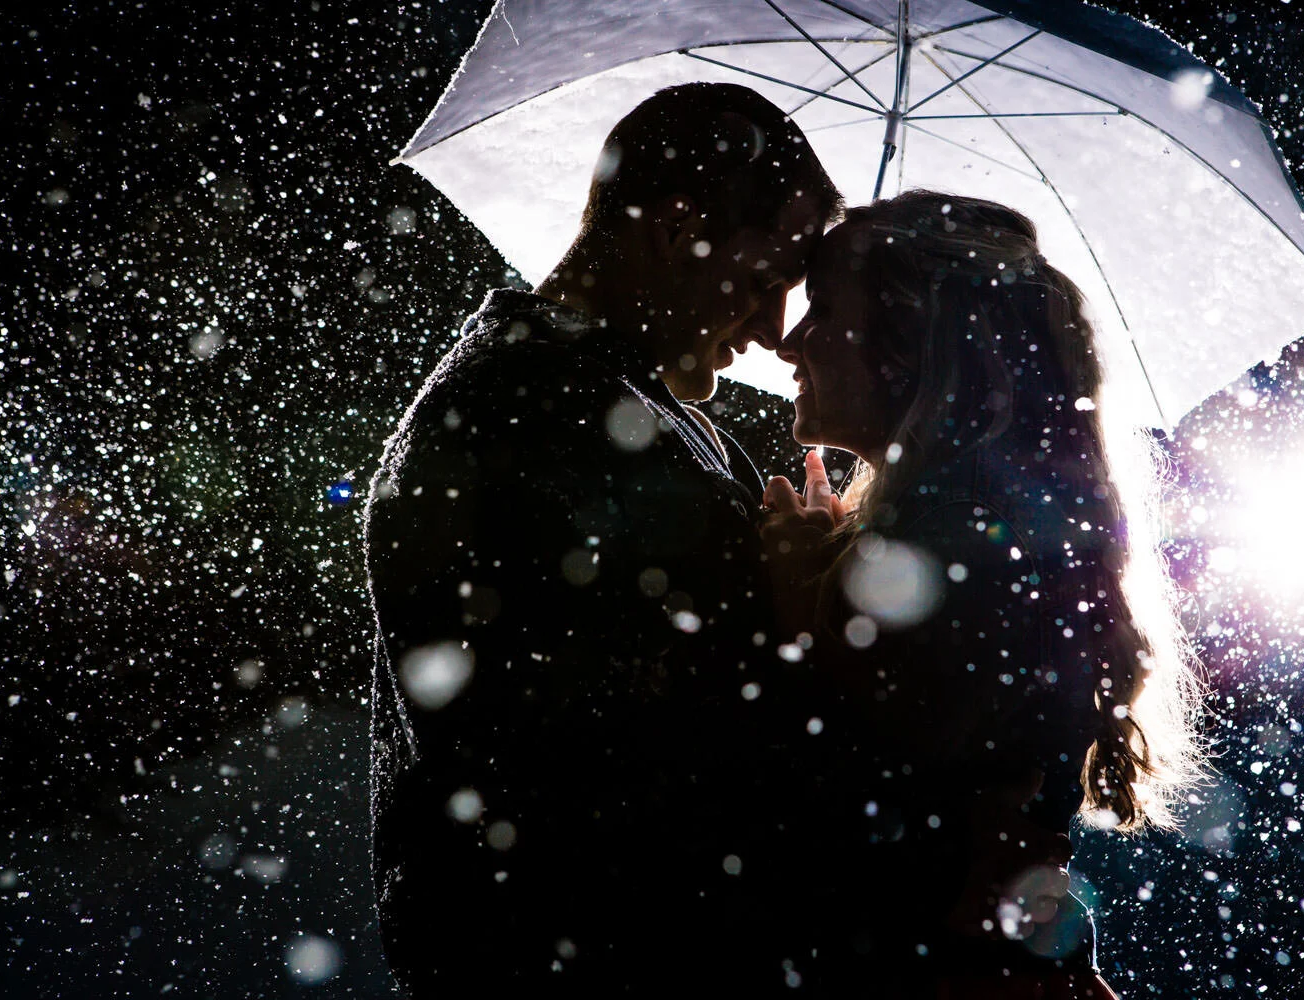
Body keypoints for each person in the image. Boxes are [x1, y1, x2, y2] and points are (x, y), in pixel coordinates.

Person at [363, 82, 841, 996]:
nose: (779, 331)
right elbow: (582, 753)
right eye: (769, 277)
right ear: (675, 227)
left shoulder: (644, 408)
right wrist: (791, 618)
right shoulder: (515, 414)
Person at [758, 191, 1206, 997]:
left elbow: (857, 800)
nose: (791, 341)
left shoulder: (962, 544)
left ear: (910, 347)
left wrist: (800, 599)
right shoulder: (995, 527)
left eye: (823, 308)